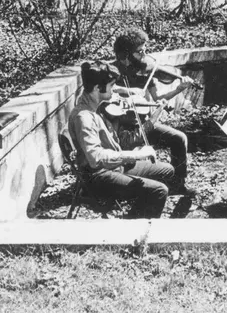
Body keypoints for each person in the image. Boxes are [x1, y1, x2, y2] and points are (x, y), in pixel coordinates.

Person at [68, 62, 175, 219]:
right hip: (99, 176)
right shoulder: (84, 117)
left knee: (168, 170)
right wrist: (135, 155)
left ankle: (136, 213)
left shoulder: (95, 105)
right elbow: (95, 158)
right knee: (159, 191)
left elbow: (123, 141)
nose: (114, 91)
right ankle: (132, 232)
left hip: (113, 166)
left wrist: (155, 114)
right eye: (112, 86)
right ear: (97, 88)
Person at [112, 27, 197, 196]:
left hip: (143, 124)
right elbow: (107, 89)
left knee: (179, 139)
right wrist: (127, 91)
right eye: (139, 51)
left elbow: (158, 99)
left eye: (145, 50)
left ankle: (178, 185)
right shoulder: (112, 71)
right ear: (126, 54)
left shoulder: (145, 71)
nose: (144, 55)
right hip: (121, 131)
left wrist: (179, 89)